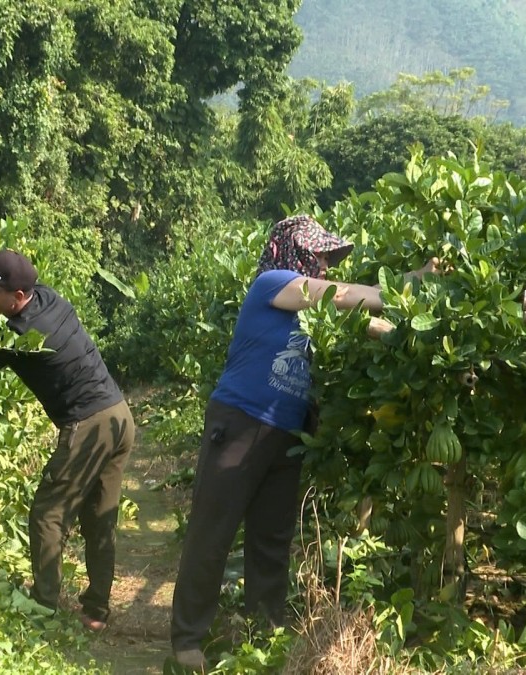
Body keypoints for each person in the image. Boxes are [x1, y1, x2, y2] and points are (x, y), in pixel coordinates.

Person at [168, 215, 439, 670]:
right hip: (240, 423)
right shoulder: (271, 283)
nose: (327, 267)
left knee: (271, 540)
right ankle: (187, 641)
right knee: (212, 532)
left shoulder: (314, 319)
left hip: (286, 435)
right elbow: (341, 295)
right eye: (321, 257)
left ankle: (264, 638)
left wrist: (416, 285)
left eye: (330, 259)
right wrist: (411, 284)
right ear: (292, 252)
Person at [0, 248, 134, 632]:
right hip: (119, 415)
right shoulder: (47, 297)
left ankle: (44, 608)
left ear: (18, 298)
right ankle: (96, 613)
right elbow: (0, 273)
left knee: (48, 515)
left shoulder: (25, 339)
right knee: (99, 517)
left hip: (89, 425)